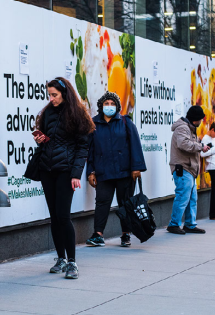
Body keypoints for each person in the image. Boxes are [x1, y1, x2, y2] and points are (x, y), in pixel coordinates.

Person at [34, 77, 94, 279]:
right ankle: (60, 258)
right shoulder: (47, 112)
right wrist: (40, 139)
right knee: (54, 216)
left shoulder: (77, 114)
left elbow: (82, 147)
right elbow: (47, 140)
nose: (51, 99)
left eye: (55, 95)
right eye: (49, 95)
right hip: (47, 169)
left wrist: (76, 174)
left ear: (65, 93)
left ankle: (72, 262)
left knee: (63, 216)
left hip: (66, 171)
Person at [85, 91, 147, 247]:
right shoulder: (93, 124)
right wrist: (90, 172)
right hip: (103, 172)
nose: (109, 106)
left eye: (112, 104)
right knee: (101, 202)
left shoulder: (126, 122)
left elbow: (135, 146)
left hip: (125, 172)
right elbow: (89, 150)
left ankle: (126, 234)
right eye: (106, 103)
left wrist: (136, 168)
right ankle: (98, 235)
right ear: (101, 106)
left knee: (125, 203)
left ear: (117, 106)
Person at [167, 106, 209, 235]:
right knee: (183, 197)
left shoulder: (190, 128)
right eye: (201, 118)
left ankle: (190, 224)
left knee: (191, 198)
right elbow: (183, 144)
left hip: (189, 169)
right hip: (182, 167)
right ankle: (173, 224)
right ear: (196, 119)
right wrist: (201, 146)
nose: (201, 121)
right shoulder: (183, 128)